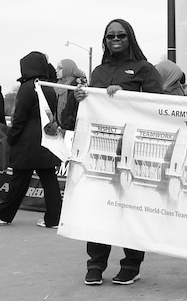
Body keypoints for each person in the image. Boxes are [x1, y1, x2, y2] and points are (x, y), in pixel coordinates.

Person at [74, 18, 162, 286]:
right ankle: (96, 263)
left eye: (121, 35)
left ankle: (131, 264)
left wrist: (126, 96)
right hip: (101, 151)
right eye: (110, 35)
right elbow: (87, 111)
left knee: (130, 208)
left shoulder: (145, 70)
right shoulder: (98, 71)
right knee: (99, 207)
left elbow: (158, 107)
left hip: (134, 152)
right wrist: (82, 98)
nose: (115, 39)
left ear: (130, 38)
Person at [0, 51, 62, 228]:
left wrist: (12, 137)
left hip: (28, 141)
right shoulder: (48, 86)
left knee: (19, 180)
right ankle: (54, 219)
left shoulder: (27, 87)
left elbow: (19, 118)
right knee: (50, 180)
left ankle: (4, 214)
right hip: (47, 138)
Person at [55, 59, 87, 130]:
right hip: (61, 127)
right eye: (56, 68)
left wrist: (67, 125)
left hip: (72, 128)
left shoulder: (77, 85)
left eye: (60, 68)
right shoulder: (59, 85)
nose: (56, 70)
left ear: (68, 69)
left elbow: (77, 109)